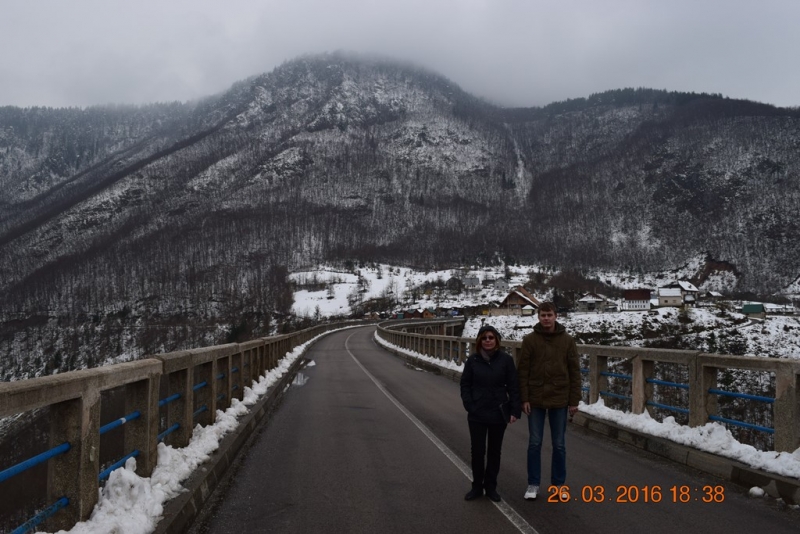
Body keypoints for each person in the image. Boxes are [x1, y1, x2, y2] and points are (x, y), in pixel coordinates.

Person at [517, 302, 581, 501]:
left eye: (549, 315)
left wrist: (574, 400)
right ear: (538, 317)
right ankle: (533, 484)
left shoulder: (568, 341)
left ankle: (558, 485)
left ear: (556, 316)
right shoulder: (529, 340)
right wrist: (524, 398)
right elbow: (523, 371)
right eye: (543, 315)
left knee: (559, 444)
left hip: (560, 397)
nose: (546, 318)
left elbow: (574, 371)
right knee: (535, 443)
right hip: (535, 399)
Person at [460, 325, 521, 502]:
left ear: (497, 340)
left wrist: (514, 410)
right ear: (480, 340)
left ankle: (491, 487)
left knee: (494, 451)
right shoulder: (473, 361)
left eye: (491, 337)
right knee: (478, 451)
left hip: (498, 412)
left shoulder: (506, 360)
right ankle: (477, 486)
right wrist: (469, 404)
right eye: (484, 337)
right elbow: (465, 385)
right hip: (477, 413)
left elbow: (513, 387)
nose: (488, 340)